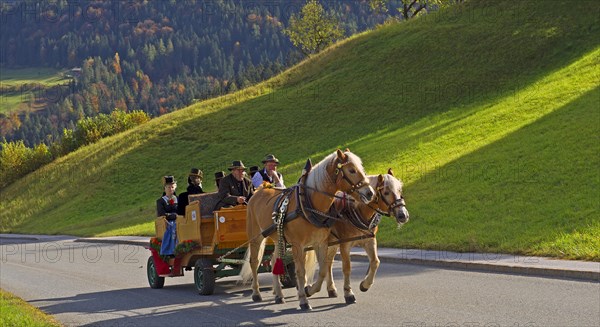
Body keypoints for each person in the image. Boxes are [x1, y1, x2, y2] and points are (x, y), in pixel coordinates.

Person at [156, 176, 178, 256]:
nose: (170, 189)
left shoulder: (178, 199)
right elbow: (162, 214)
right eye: (168, 187)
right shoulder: (160, 201)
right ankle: (170, 250)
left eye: (172, 187)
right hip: (167, 222)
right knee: (173, 226)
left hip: (179, 220)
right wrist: (174, 216)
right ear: (165, 188)